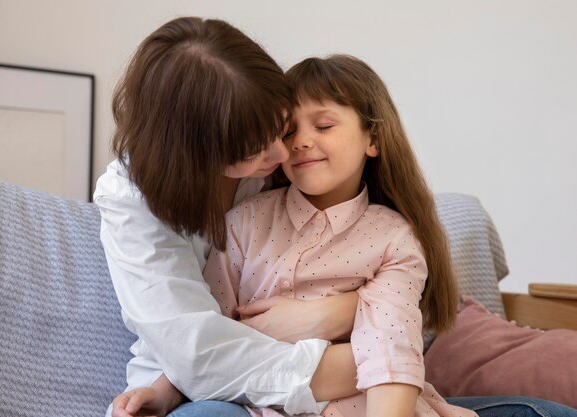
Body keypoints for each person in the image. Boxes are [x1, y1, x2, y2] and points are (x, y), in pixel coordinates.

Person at [201, 55, 577, 417]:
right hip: (260, 401)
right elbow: (205, 333)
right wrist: (163, 386)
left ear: (373, 138)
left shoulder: (393, 237)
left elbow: (392, 345)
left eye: (324, 126)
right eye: (288, 131)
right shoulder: (243, 222)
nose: (300, 141)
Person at [95, 16, 362, 417]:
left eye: (281, 127)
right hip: (201, 390)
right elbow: (196, 353)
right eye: (251, 150)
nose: (283, 154)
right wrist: (374, 362)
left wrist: (338, 313)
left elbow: (413, 291)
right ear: (193, 154)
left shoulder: (313, 171)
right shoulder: (129, 197)